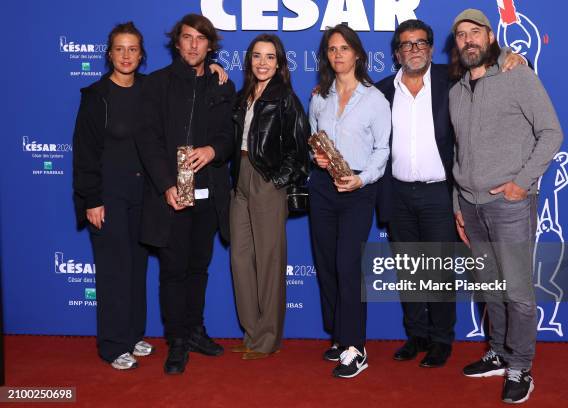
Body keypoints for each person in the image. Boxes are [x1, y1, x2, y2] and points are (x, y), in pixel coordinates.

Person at [375, 20, 526, 368]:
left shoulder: (452, 80)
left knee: (440, 270)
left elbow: (491, 68)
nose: (414, 49)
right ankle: (417, 335)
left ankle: (442, 340)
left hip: (439, 193)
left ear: (430, 48)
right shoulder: (382, 91)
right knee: (410, 269)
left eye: (421, 42)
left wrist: (512, 57)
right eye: (406, 44)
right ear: (397, 53)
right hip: (396, 192)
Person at [449, 9, 563, 404]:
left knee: (516, 290)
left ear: (491, 36)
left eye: (474, 32)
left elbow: (551, 133)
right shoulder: (456, 91)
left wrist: (521, 184)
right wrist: (458, 203)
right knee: (490, 287)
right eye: (461, 35)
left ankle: (521, 367)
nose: (468, 40)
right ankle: (497, 351)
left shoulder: (517, 75)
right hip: (471, 204)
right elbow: (458, 153)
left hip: (509, 205)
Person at [135, 13, 235, 375]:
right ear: (177, 42)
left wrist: (212, 150)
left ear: (210, 45)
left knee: (199, 268)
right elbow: (148, 140)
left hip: (210, 191)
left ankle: (195, 330)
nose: (194, 45)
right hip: (171, 193)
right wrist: (166, 185)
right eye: (187, 38)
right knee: (173, 270)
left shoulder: (223, 84)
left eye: (201, 39)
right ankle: (176, 340)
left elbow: (229, 134)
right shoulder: (156, 84)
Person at [309, 24, 391, 379]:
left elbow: (383, 149)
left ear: (357, 53)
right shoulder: (319, 96)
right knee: (326, 264)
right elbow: (314, 139)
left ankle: (356, 347)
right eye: (332, 49)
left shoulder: (374, 99)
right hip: (323, 187)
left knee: (348, 265)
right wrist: (318, 159)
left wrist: (362, 178)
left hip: (358, 188)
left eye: (344, 48)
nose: (338, 54)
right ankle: (340, 337)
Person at [72, 21, 152, 370]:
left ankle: (133, 334)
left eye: (132, 49)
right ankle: (111, 344)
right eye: (119, 48)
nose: (126, 55)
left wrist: (214, 69)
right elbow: (84, 153)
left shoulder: (151, 89)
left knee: (136, 269)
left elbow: (186, 84)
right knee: (113, 272)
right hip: (108, 196)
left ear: (141, 54)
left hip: (144, 195)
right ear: (109, 54)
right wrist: (91, 199)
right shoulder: (96, 96)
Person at [229, 34, 309, 360]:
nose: (263, 63)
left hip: (266, 181)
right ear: (249, 60)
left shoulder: (286, 98)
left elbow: (300, 152)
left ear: (279, 63)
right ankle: (251, 334)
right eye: (257, 56)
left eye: (270, 57)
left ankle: (268, 339)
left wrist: (276, 181)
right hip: (240, 180)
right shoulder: (242, 96)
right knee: (240, 260)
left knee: (269, 263)